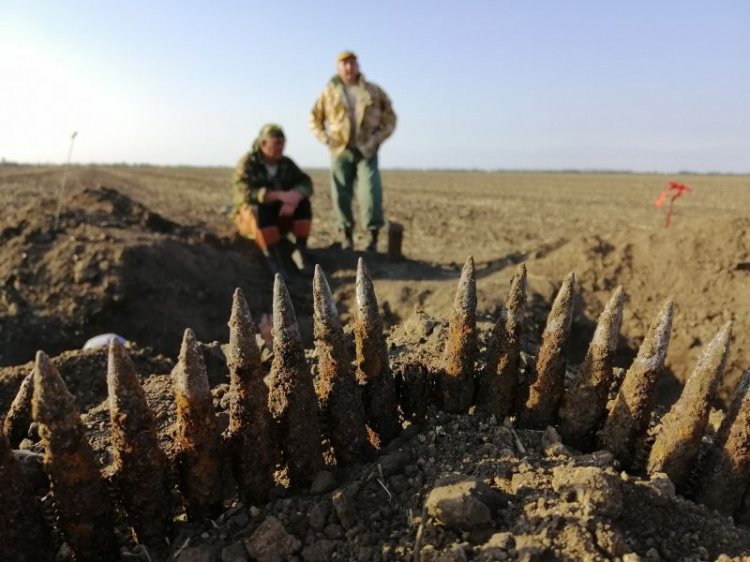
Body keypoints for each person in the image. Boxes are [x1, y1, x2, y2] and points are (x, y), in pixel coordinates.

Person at [310, 50, 397, 252]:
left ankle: (373, 237)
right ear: (338, 67)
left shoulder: (373, 91)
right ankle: (345, 236)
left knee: (370, 191)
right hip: (340, 151)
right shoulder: (328, 93)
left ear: (358, 66)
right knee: (340, 193)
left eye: (352, 63)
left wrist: (376, 140)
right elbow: (314, 120)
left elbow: (390, 118)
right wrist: (328, 140)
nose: (348, 67)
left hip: (366, 150)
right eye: (344, 63)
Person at [233, 124, 314, 279]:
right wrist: (275, 195)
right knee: (258, 208)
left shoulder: (286, 164)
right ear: (264, 143)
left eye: (283, 144)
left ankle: (301, 250)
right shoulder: (248, 164)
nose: (281, 148)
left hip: (280, 217)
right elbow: (242, 192)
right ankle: (272, 256)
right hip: (255, 220)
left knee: (303, 204)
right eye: (277, 143)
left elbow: (305, 183)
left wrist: (294, 197)